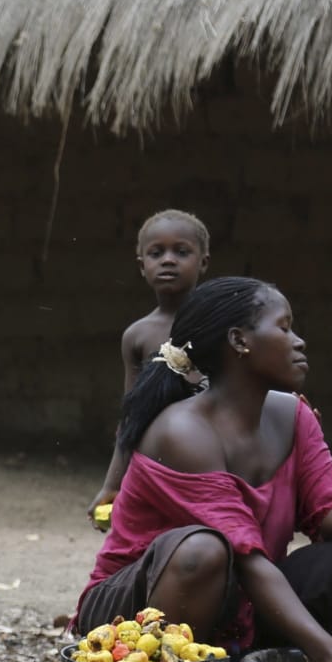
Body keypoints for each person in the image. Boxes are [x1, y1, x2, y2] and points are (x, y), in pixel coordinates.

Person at [75, 277, 332, 662]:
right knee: (204, 551)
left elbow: (326, 510)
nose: (299, 342)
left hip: (241, 604)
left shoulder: (293, 416)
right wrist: (328, 653)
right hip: (130, 621)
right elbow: (247, 558)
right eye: (284, 327)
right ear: (239, 340)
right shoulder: (183, 432)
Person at [88, 209, 211, 529]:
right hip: (159, 464)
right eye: (157, 253)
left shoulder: (223, 324)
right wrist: (113, 485)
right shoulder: (138, 336)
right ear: (143, 266)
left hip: (216, 460)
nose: (168, 260)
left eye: (181, 252)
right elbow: (132, 417)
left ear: (203, 262)